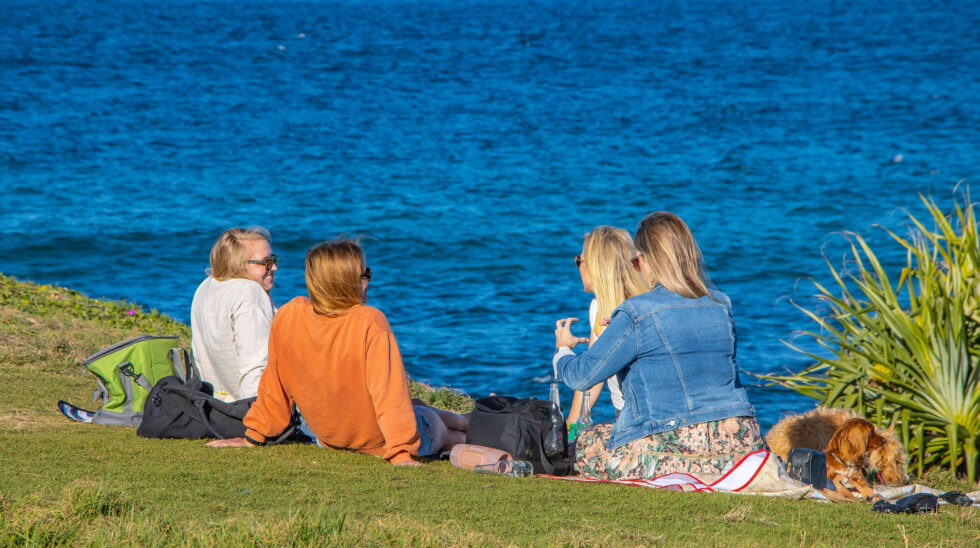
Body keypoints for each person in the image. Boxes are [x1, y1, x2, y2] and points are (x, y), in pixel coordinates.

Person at [207, 239, 468, 465]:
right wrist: (401, 455)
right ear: (348, 282)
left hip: (330, 439)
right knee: (439, 426)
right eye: (365, 273)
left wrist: (253, 437)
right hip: (380, 441)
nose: (368, 280)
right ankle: (476, 426)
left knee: (418, 408)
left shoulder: (289, 315)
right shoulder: (369, 321)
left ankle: (469, 420)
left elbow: (274, 385)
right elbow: (388, 394)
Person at [553, 212, 765, 480]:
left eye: (637, 261)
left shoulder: (637, 312)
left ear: (649, 260)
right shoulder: (721, 304)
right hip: (741, 445)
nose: (636, 268)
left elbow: (580, 377)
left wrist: (562, 352)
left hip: (673, 445)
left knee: (581, 443)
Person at [564, 226, 648, 425]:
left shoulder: (632, 311)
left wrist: (562, 350)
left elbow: (589, 377)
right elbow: (593, 377)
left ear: (596, 267)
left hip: (637, 418)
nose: (578, 267)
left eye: (579, 261)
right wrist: (570, 428)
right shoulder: (600, 307)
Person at [191, 226, 277, 402]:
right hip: (248, 409)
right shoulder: (250, 292)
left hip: (215, 405)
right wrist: (259, 421)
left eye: (273, 259)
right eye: (265, 262)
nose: (274, 267)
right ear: (239, 265)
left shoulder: (206, 286)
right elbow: (256, 366)